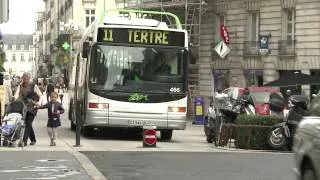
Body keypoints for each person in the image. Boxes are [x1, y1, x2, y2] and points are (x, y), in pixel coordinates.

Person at [14, 72, 42, 146]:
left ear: (29, 78)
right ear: (22, 78)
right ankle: (33, 139)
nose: (25, 79)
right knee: (27, 124)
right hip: (23, 107)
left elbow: (40, 95)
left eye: (26, 78)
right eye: (24, 78)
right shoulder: (20, 86)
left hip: (32, 107)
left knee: (28, 123)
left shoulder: (34, 86)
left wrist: (39, 103)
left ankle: (24, 141)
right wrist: (15, 98)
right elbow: (17, 94)